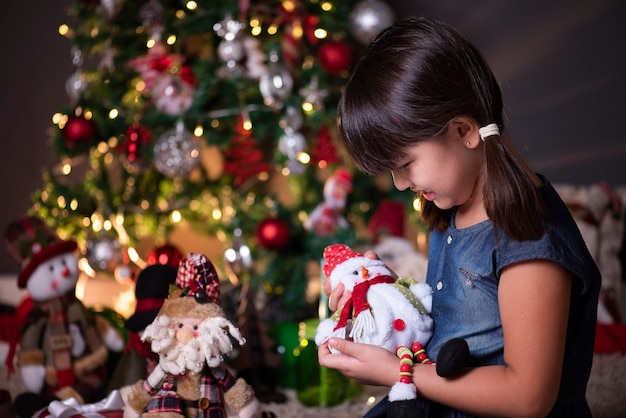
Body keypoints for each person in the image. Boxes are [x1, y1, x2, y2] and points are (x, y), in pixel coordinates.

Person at [318, 16, 601, 418]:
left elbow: (528, 397)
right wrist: (385, 297)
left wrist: (400, 372)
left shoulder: (529, 239)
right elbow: (458, 323)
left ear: (464, 131)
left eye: (405, 164)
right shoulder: (456, 204)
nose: (400, 185)